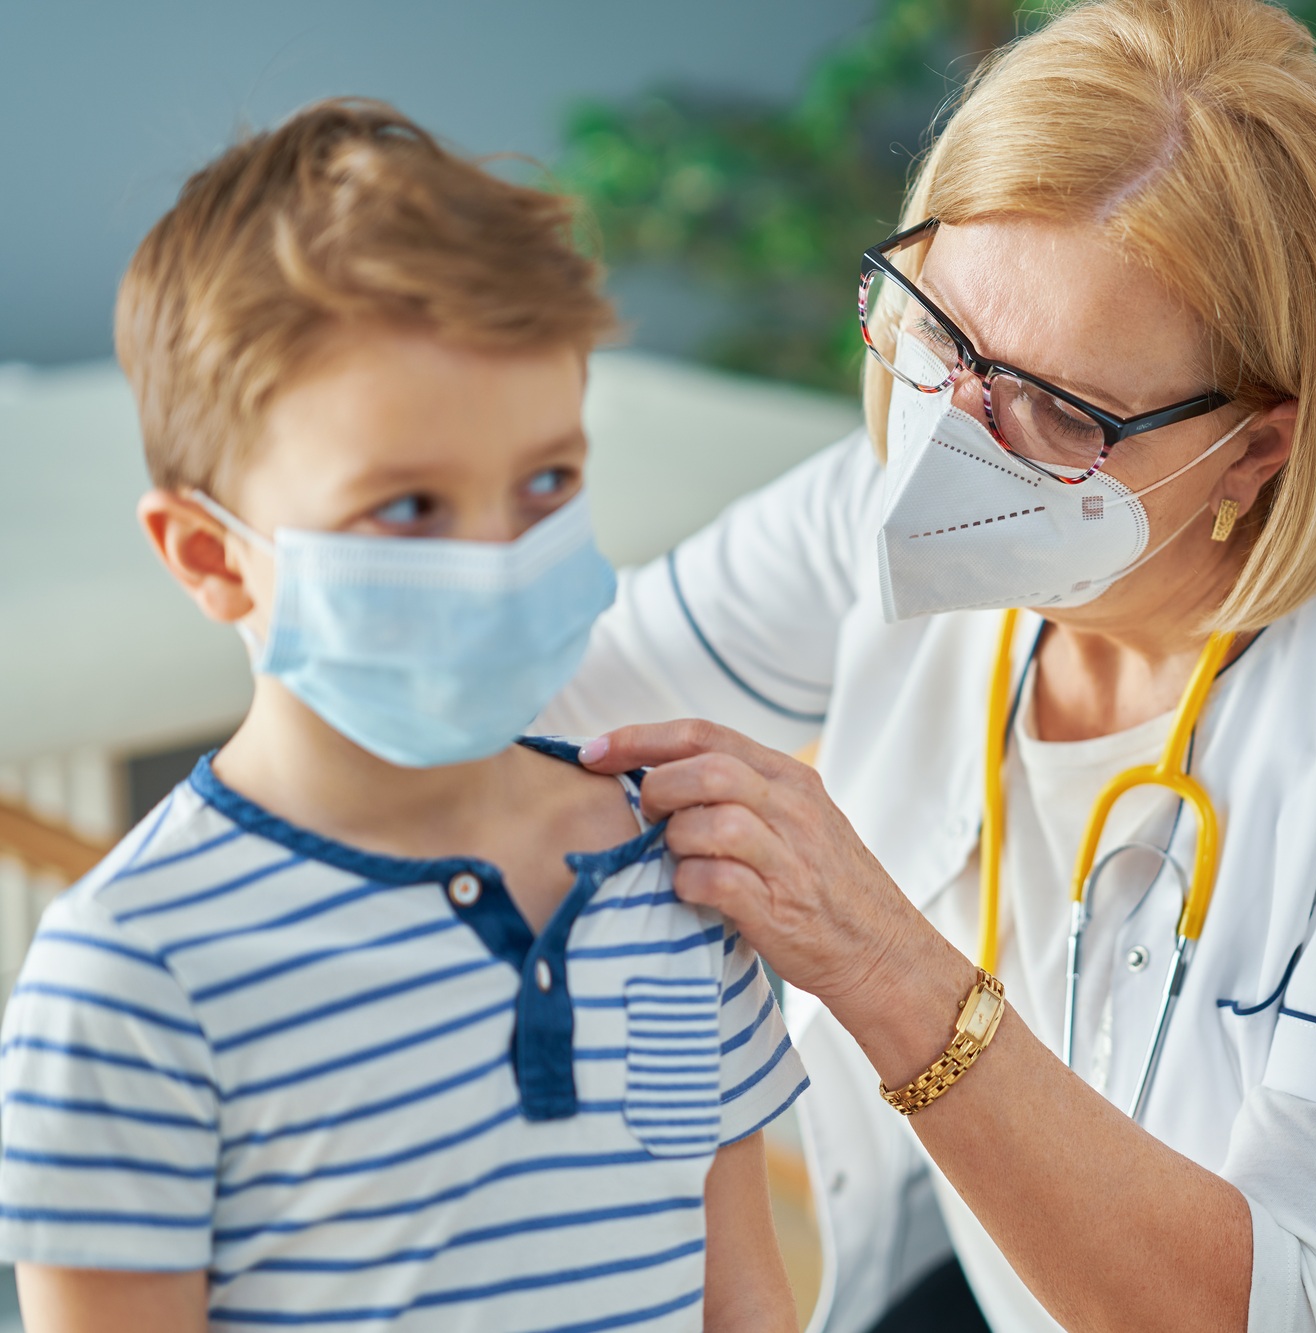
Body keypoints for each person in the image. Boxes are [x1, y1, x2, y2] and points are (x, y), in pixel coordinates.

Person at [544, 2, 1316, 1331]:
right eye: (933, 326)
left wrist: (882, 962)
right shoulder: (897, 496)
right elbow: (558, 710)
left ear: (1258, 449)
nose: (948, 439)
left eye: (1062, 411)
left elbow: (1285, 1305)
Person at [0, 101, 805, 1332]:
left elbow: (745, 1301)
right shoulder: (131, 980)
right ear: (211, 557)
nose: (498, 555)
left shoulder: (671, 861)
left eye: (546, 481)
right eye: (409, 507)